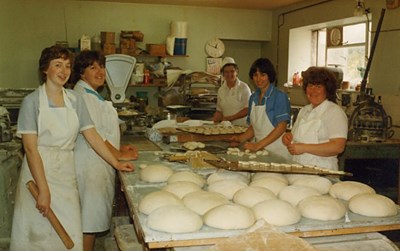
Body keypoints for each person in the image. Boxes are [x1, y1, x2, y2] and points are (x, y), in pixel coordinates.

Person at [10, 45, 134, 251]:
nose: (64, 71)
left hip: (66, 173)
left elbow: (93, 136)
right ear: (45, 69)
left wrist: (116, 163)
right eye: (57, 65)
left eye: (67, 66)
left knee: (70, 232)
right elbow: (31, 150)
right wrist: (43, 190)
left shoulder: (75, 101)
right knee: (37, 236)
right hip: (38, 171)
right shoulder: (31, 102)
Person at [70, 50, 138, 251]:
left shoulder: (92, 94)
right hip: (91, 166)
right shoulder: (82, 96)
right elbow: (94, 135)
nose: (100, 71)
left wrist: (119, 147)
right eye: (93, 67)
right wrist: (117, 155)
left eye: (101, 66)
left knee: (90, 220)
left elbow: (104, 131)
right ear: (82, 73)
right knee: (88, 222)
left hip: (99, 162)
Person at [282, 66, 348, 171]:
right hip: (298, 166)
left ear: (327, 89)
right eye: (310, 85)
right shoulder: (304, 111)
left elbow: (338, 147)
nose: (313, 90)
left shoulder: (334, 112)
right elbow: (296, 138)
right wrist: (288, 138)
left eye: (318, 86)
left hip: (322, 171)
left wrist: (303, 148)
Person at [231, 58, 291, 159]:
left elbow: (281, 127)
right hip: (260, 150)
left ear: (269, 75)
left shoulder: (279, 96)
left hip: (277, 150)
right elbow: (254, 127)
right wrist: (239, 139)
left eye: (263, 75)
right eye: (255, 75)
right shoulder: (253, 98)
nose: (259, 79)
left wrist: (257, 145)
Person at [212, 57, 251, 126]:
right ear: (223, 74)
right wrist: (214, 120)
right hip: (226, 126)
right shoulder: (221, 90)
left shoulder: (244, 88)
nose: (229, 74)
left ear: (236, 72)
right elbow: (219, 110)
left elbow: (248, 109)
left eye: (232, 71)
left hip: (242, 127)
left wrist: (230, 118)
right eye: (226, 72)